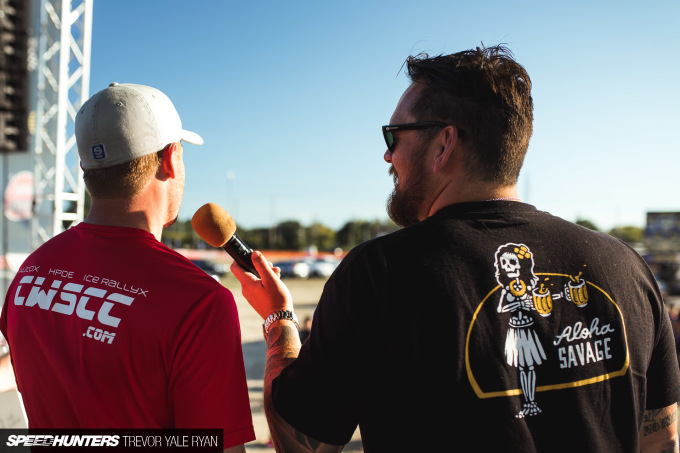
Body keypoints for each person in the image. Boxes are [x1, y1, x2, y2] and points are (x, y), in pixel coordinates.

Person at [231, 45, 680, 452]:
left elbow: (301, 442)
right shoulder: (626, 267)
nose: (387, 156)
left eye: (393, 136)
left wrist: (278, 318)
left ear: (443, 144)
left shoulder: (380, 272)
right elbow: (662, 440)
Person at [0, 83, 255, 451]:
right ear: (171, 158)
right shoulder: (198, 302)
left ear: (86, 169)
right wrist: (279, 320)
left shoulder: (31, 272)